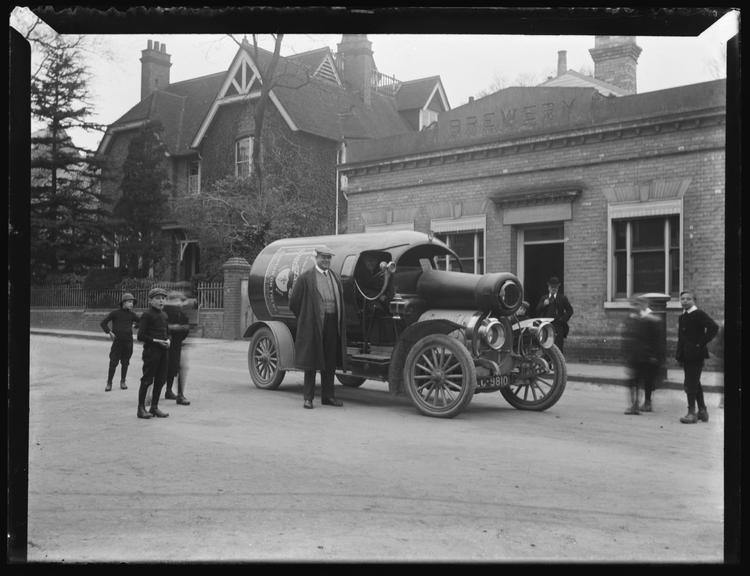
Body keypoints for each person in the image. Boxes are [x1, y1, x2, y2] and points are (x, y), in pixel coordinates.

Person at [289, 245, 348, 409]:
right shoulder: (306, 278)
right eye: (323, 257)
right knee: (311, 362)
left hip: (332, 323)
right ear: (316, 258)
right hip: (313, 325)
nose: (326, 261)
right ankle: (308, 398)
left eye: (329, 258)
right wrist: (306, 318)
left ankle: (328, 397)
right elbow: (294, 302)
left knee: (329, 362)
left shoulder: (334, 277)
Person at [676, 289, 719, 424]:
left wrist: (700, 344)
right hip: (686, 355)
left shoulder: (698, 314)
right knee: (695, 382)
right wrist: (679, 355)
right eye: (683, 299)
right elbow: (681, 338)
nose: (685, 301)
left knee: (690, 383)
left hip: (695, 355)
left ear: (694, 301)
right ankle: (702, 411)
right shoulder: (682, 316)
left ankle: (691, 413)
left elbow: (713, 327)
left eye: (688, 299)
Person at [621, 296, 664, 415]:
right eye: (634, 304)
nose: (635, 306)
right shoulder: (632, 318)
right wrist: (626, 353)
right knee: (633, 380)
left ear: (646, 304)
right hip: (634, 354)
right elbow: (627, 336)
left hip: (647, 355)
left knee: (647, 380)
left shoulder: (652, 319)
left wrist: (655, 355)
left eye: (638, 304)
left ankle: (647, 402)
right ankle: (634, 404)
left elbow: (657, 339)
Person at [136, 287, 171, 419]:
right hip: (151, 352)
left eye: (163, 298)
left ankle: (154, 407)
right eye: (157, 298)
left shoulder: (164, 315)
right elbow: (141, 336)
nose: (161, 301)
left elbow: (167, 333)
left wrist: (168, 340)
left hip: (164, 351)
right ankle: (141, 408)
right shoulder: (147, 315)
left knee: (161, 380)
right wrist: (157, 341)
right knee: (147, 380)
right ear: (150, 301)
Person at [100, 292, 140, 392]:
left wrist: (135, 326)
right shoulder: (115, 313)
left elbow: (141, 322)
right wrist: (109, 332)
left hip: (128, 342)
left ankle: (123, 381)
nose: (132, 304)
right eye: (130, 302)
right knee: (113, 362)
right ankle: (109, 383)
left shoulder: (132, 315)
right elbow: (103, 323)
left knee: (125, 363)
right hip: (117, 343)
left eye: (132, 302)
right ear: (123, 302)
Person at [163, 290, 191, 406]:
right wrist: (175, 328)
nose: (179, 303)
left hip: (177, 345)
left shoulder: (182, 314)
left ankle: (178, 394)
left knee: (179, 368)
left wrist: (180, 329)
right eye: (176, 300)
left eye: (180, 301)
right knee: (162, 369)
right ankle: (152, 395)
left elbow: (186, 330)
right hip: (164, 346)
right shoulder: (163, 313)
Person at [534, 276, 574, 352]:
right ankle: (547, 363)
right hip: (546, 325)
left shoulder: (562, 298)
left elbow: (570, 310)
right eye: (552, 287)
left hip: (558, 326)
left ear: (558, 288)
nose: (553, 289)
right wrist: (544, 304)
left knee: (558, 348)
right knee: (546, 346)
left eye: (555, 288)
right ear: (548, 287)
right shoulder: (544, 298)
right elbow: (537, 310)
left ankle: (558, 363)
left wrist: (562, 319)